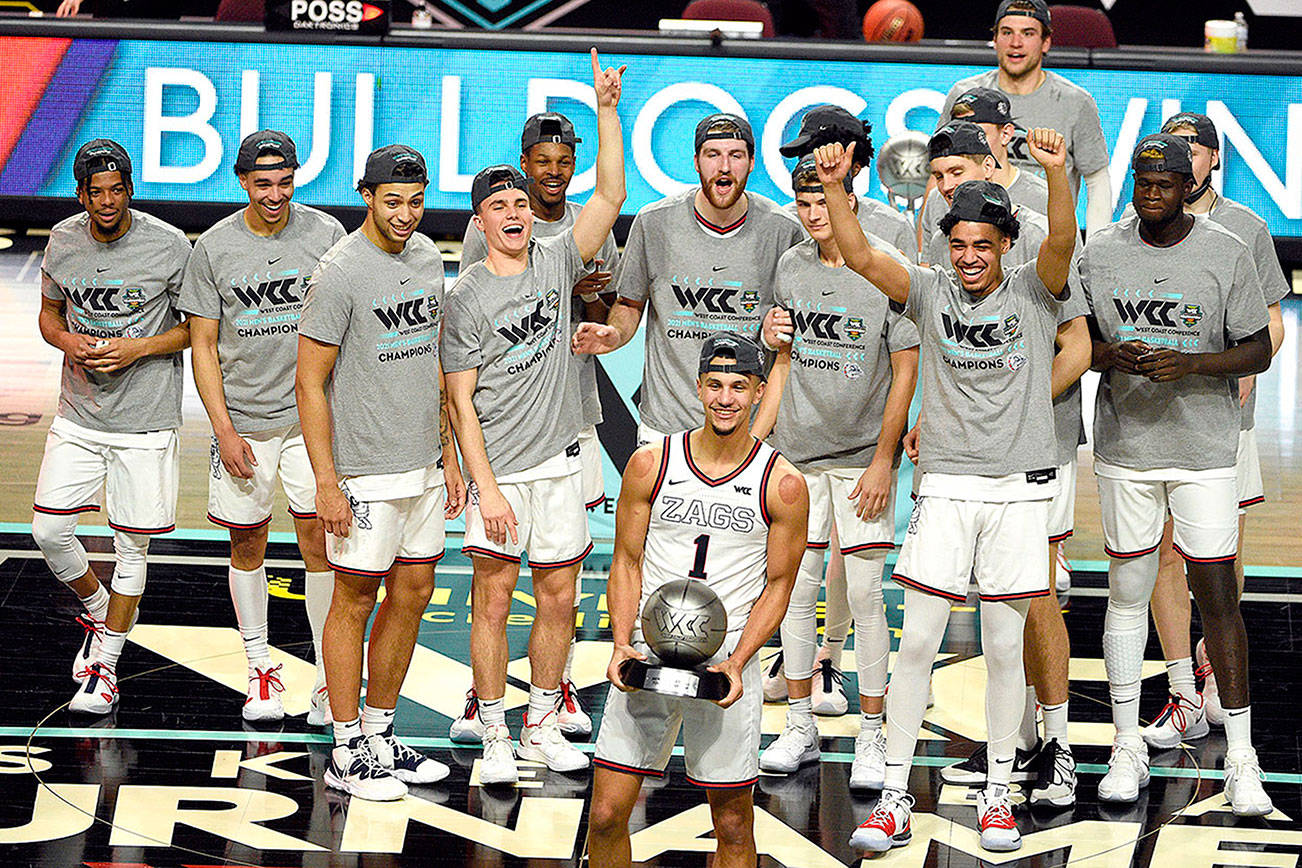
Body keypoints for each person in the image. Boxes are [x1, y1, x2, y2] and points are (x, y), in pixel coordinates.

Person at [815, 128, 1076, 853]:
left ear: (1003, 246)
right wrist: (836, 188)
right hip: (947, 488)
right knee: (919, 642)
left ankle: (998, 796)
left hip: (1020, 492)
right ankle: (894, 794)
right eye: (957, 243)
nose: (967, 256)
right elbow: (864, 255)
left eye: (981, 245)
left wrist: (1056, 174)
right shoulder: (928, 290)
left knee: (1000, 648)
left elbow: (1059, 245)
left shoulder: (1034, 289)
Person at [442, 49, 625, 786]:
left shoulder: (556, 260)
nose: (517, 213)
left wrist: (607, 112)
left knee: (559, 595)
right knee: (491, 602)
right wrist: (483, 488)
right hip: (503, 476)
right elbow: (459, 403)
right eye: (501, 205)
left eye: (521, 204)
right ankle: (492, 731)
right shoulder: (465, 297)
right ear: (481, 220)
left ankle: (541, 723)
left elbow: (610, 197)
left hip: (561, 464)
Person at [1082, 133, 1274, 816]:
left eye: (1165, 183)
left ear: (1188, 183)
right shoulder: (1099, 250)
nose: (1153, 193)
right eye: (1143, 182)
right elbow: (1073, 343)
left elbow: (1259, 348)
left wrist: (1192, 363)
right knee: (1127, 593)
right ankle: (1127, 746)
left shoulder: (1226, 249)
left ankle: (1243, 760)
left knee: (1219, 597)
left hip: (1205, 451)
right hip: (1126, 449)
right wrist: (1112, 354)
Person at [915, 119, 1090, 809]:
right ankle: (1011, 748)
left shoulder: (1043, 223)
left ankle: (1061, 747)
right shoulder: (943, 223)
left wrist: (1005, 404)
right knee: (992, 603)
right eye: (936, 177)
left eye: (954, 173)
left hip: (1036, 439)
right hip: (973, 444)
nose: (943, 187)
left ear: (990, 157)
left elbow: (1076, 346)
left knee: (1034, 594)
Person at [586, 332, 808, 868]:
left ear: (759, 392)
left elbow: (779, 586)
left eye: (738, 386)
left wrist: (737, 661)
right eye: (714, 385)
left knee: (732, 825)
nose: (725, 398)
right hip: (646, 654)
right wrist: (619, 643)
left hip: (726, 660)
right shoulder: (650, 463)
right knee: (606, 816)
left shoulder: (781, 483)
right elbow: (626, 563)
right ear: (699, 389)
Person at [297, 143, 463, 801]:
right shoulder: (338, 272)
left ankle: (380, 733)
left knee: (415, 593)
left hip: (422, 465)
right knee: (355, 599)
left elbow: (432, 366)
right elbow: (310, 383)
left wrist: (447, 456)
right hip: (363, 473)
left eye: (416, 201)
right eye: (392, 201)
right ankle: (344, 748)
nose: (405, 213)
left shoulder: (427, 258)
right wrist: (327, 480)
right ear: (366, 197)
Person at [750, 157, 918, 787]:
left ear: (849, 198)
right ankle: (799, 724)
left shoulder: (884, 268)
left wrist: (884, 457)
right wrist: (769, 343)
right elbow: (785, 360)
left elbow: (905, 369)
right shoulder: (790, 266)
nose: (814, 213)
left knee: (870, 599)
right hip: (797, 457)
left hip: (859, 465)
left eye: (825, 200)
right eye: (804, 203)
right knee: (793, 592)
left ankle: (873, 735)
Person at [179, 130, 345, 725]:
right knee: (246, 542)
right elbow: (202, 347)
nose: (275, 194)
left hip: (310, 423)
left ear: (296, 176)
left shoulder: (326, 235)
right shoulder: (214, 249)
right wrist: (222, 430)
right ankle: (261, 672)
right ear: (243, 181)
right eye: (263, 183)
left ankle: (331, 678)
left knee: (321, 544)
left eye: (285, 181)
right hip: (244, 424)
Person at [1140, 113, 1289, 750]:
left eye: (1197, 147)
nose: (1186, 155)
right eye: (1177, 145)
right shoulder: (1134, 234)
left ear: (1212, 160)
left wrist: (1247, 366)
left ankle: (1210, 662)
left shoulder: (1247, 229)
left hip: (1224, 418)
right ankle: (1179, 689)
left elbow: (1273, 324)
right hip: (1154, 421)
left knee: (1220, 560)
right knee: (1164, 555)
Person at [34, 139, 191, 716]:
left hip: (145, 421)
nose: (106, 200)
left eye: (116, 189)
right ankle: (100, 610)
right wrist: (68, 340)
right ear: (81, 195)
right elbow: (49, 313)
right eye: (95, 191)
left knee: (133, 547)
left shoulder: (169, 245)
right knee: (48, 532)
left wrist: (137, 349)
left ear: (129, 189)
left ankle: (108, 664)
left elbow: (195, 329)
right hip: (78, 413)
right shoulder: (62, 241)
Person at [572, 112, 803, 443]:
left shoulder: (783, 231)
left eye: (735, 156)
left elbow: (788, 334)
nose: (724, 167)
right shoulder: (654, 223)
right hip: (666, 430)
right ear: (696, 161)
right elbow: (629, 304)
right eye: (713, 155)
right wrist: (615, 334)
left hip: (748, 434)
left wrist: (772, 335)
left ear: (752, 163)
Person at [938, 0, 1112, 236]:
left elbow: (1097, 180)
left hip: (1047, 244)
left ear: (1046, 42)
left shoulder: (1075, 102)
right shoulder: (964, 96)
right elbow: (938, 170)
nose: (1015, 43)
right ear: (995, 39)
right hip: (975, 242)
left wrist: (1093, 249)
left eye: (1027, 33)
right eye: (1006, 32)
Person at [919, 87, 1048, 253]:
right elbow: (929, 270)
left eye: (977, 132)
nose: (965, 138)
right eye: (960, 129)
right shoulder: (938, 199)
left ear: (1006, 134)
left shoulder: (1043, 198)